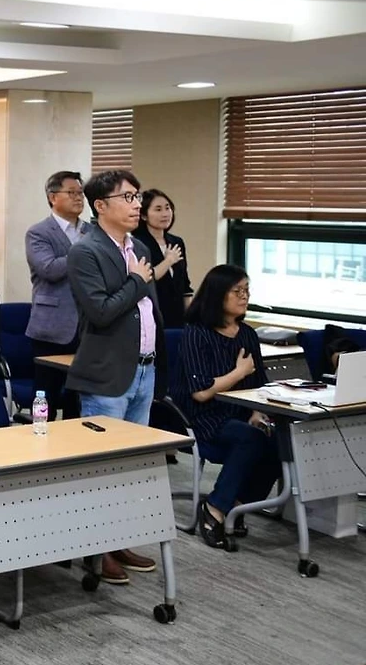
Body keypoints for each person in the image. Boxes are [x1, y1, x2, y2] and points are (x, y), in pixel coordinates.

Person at [66, 169, 161, 583]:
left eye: (138, 196)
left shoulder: (138, 246)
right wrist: (137, 280)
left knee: (129, 467)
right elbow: (101, 311)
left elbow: (148, 309)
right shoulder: (85, 252)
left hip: (145, 367)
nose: (137, 204)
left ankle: (118, 540)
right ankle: (95, 551)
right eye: (128, 197)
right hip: (107, 372)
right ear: (101, 206)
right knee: (101, 470)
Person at [172, 264, 279, 550]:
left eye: (247, 290)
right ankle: (215, 509)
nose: (244, 296)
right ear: (218, 295)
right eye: (237, 291)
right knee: (250, 438)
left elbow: (259, 383)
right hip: (202, 416)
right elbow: (200, 392)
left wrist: (257, 412)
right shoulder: (196, 334)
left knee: (279, 439)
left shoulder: (247, 334)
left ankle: (237, 504)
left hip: (239, 412)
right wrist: (238, 373)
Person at [25, 170, 92, 419]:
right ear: (53, 197)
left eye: (80, 193)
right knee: (46, 394)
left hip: (87, 326)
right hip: (51, 327)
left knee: (79, 395)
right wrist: (83, 249)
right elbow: (49, 269)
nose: (78, 198)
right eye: (71, 192)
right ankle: (40, 435)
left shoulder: (92, 231)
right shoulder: (39, 232)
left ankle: (74, 439)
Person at [132, 189, 192, 329]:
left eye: (167, 208)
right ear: (144, 215)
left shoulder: (176, 242)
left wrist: (189, 318)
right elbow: (147, 278)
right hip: (153, 316)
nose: (165, 214)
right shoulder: (138, 244)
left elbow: (184, 284)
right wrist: (168, 261)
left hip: (178, 317)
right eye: (158, 209)